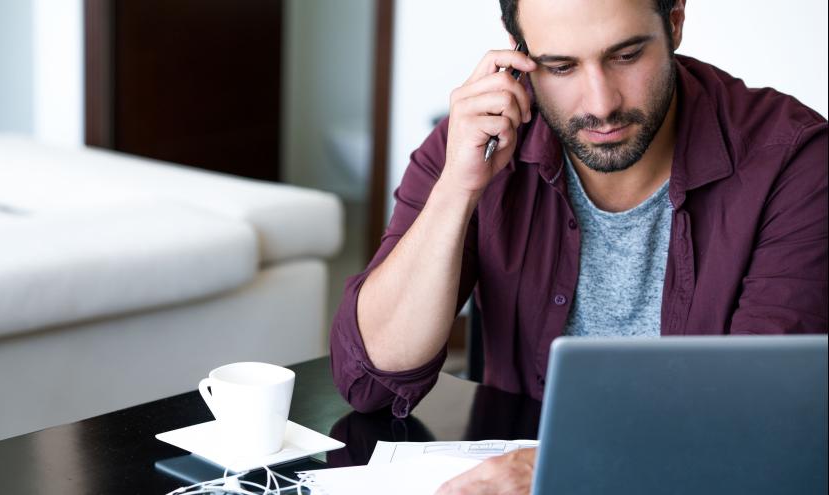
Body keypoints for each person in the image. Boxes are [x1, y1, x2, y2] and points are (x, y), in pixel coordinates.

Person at [331, 0, 828, 491]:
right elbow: (371, 380)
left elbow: (765, 421)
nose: (600, 103)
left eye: (627, 55)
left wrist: (575, 464)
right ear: (519, 55)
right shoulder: (474, 142)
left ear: (674, 22)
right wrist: (457, 190)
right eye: (561, 67)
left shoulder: (792, 161)